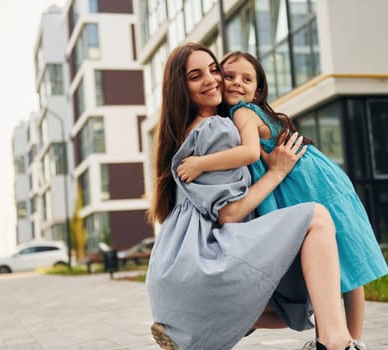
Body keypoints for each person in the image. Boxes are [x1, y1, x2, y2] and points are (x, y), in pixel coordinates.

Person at [146, 42, 358, 350]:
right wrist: (277, 171)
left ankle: (191, 324)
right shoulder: (216, 129)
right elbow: (229, 213)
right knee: (316, 217)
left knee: (299, 307)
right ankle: (336, 344)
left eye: (214, 69)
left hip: (177, 278)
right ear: (180, 87)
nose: (212, 80)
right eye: (196, 76)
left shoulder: (186, 134)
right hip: (206, 261)